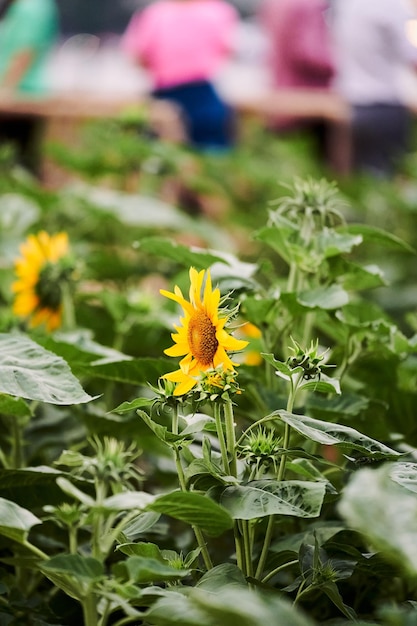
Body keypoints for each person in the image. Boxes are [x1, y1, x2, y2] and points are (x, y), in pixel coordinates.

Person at [120, 0, 239, 152]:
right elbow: (228, 50)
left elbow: (138, 57)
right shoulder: (218, 11)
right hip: (203, 92)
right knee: (213, 151)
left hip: (164, 91)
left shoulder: (153, 13)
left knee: (162, 155)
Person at [331, 0, 417, 177]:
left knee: (362, 181)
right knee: (387, 181)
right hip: (385, 107)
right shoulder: (389, 6)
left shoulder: (348, 5)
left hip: (352, 104)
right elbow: (411, 55)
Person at [257, 0, 336, 160]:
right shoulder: (309, 5)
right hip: (310, 100)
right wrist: (343, 65)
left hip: (281, 96)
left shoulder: (274, 4)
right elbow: (309, 53)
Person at [0, 0, 59, 176]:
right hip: (18, 94)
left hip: (21, 97)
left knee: (17, 164)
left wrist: (7, 89)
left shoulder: (32, 6)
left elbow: (26, 50)